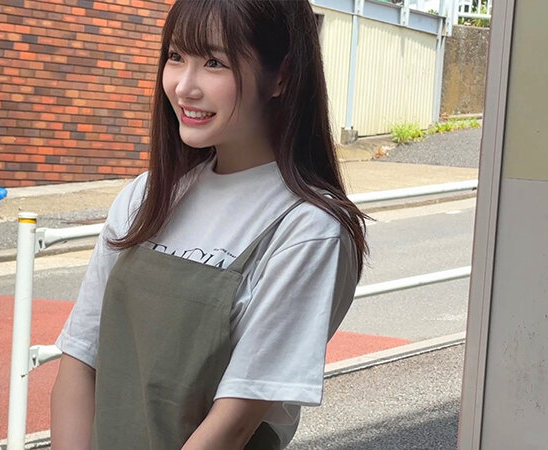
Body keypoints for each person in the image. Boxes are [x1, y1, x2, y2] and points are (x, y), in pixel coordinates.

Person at [50, 0, 372, 448]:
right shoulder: (147, 196)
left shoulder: (308, 229)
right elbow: (80, 358)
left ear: (281, 76)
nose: (184, 86)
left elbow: (232, 426)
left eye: (214, 63)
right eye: (176, 56)